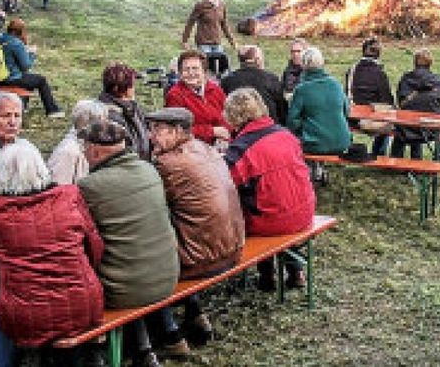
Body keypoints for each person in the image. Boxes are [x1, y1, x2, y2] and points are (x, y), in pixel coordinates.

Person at [0, 140, 104, 367]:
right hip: (83, 304)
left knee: (6, 318)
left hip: (27, 314)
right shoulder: (69, 195)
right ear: (41, 166)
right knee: (59, 322)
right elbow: (95, 246)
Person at [77, 119, 180, 367]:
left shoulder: (89, 187)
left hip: (128, 289)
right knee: (126, 257)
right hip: (167, 276)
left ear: (95, 151)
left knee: (92, 271)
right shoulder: (148, 169)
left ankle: (95, 354)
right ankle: (148, 348)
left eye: (84, 147)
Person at [147, 107, 246, 348]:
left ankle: (169, 335)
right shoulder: (205, 148)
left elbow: (150, 207)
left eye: (158, 130)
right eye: (151, 130)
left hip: (204, 258)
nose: (151, 136)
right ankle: (195, 314)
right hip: (233, 247)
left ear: (179, 132)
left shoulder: (168, 164)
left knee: (143, 261)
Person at [223, 88, 315, 290]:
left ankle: (267, 275)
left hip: (271, 222)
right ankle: (295, 270)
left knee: (251, 205)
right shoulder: (286, 135)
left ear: (232, 117)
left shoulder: (242, 148)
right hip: (304, 211)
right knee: (275, 196)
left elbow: (225, 183)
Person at [286, 47, 351, 156]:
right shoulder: (336, 84)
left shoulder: (302, 89)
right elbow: (346, 110)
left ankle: (312, 169)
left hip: (314, 143)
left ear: (303, 65)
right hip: (342, 141)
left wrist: (304, 130)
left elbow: (292, 121)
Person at [0, 18, 63, 117]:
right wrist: (31, 54)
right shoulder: (16, 43)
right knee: (41, 80)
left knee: (29, 78)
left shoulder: (0, 38)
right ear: (20, 31)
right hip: (10, 78)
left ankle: (23, 105)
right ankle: (52, 110)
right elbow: (26, 66)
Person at [394, 49, 440, 160]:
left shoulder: (406, 79)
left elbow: (400, 103)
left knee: (400, 128)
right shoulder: (438, 81)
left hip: (406, 129)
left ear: (414, 63)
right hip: (431, 131)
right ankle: (439, 161)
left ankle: (395, 160)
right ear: (430, 63)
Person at [164, 49, 230, 148]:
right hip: (192, 148)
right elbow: (176, 130)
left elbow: (228, 116)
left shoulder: (215, 89)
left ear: (204, 71)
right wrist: (212, 131)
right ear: (180, 73)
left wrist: (224, 135)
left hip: (222, 144)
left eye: (195, 68)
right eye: (186, 69)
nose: (191, 73)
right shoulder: (175, 95)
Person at [344, 36, 395, 156]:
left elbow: (347, 93)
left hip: (352, 117)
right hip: (372, 119)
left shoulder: (352, 70)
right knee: (390, 121)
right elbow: (387, 100)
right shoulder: (380, 74)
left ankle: (348, 148)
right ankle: (379, 153)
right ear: (378, 54)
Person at [49, 99, 111, 186]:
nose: (106, 126)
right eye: (103, 122)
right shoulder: (68, 152)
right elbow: (58, 189)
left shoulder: (86, 144)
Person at [220, 45, 288, 124]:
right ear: (258, 60)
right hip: (267, 128)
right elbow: (282, 110)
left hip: (238, 128)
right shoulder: (271, 79)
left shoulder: (227, 80)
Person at [181, 0, 236, 76]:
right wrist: (185, 40)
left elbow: (224, 25)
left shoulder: (221, 5)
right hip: (204, 42)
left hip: (217, 42)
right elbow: (190, 22)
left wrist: (232, 41)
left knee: (221, 69)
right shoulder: (201, 5)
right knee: (206, 68)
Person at [100, 62, 154, 160]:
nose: (134, 88)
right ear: (119, 88)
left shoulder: (131, 106)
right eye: (131, 85)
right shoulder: (110, 116)